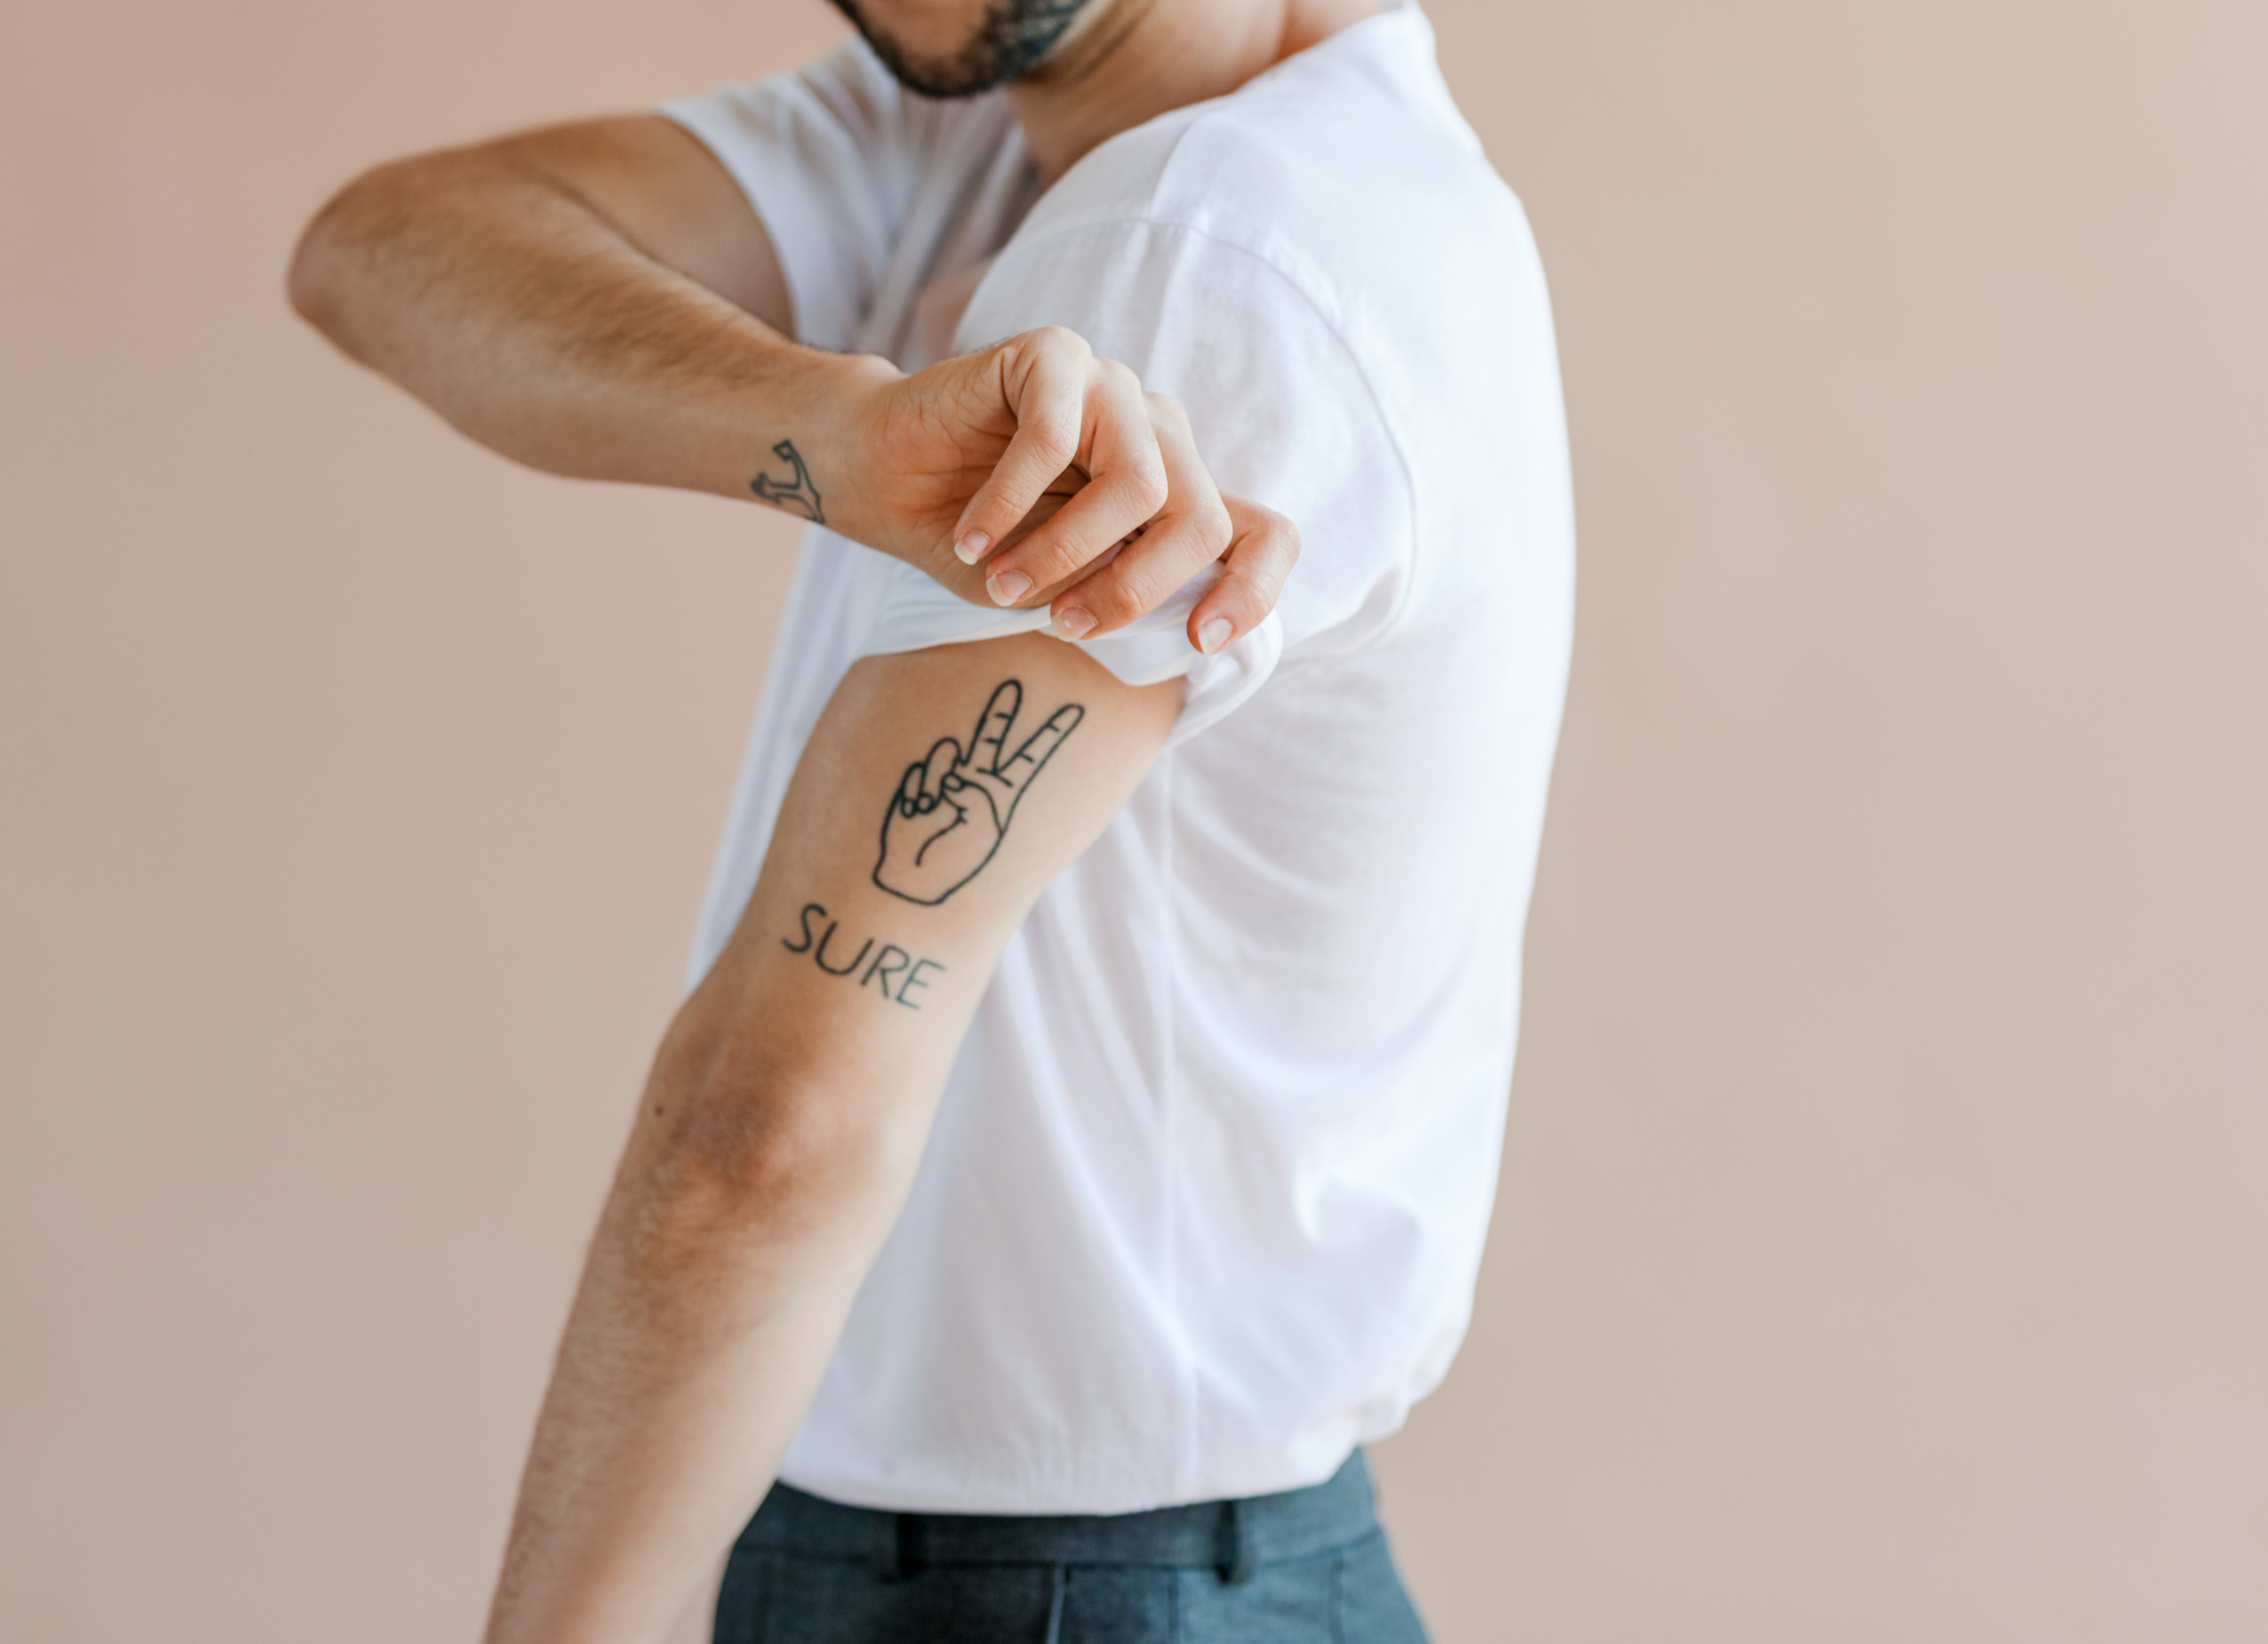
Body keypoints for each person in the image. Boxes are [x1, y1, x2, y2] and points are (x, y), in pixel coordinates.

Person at [287, 0, 1572, 1635]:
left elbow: (771, 1127)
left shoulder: (1197, 250)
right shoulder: (999, 138)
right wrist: (828, 432)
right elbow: (381, 250)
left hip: (1045, 1587)